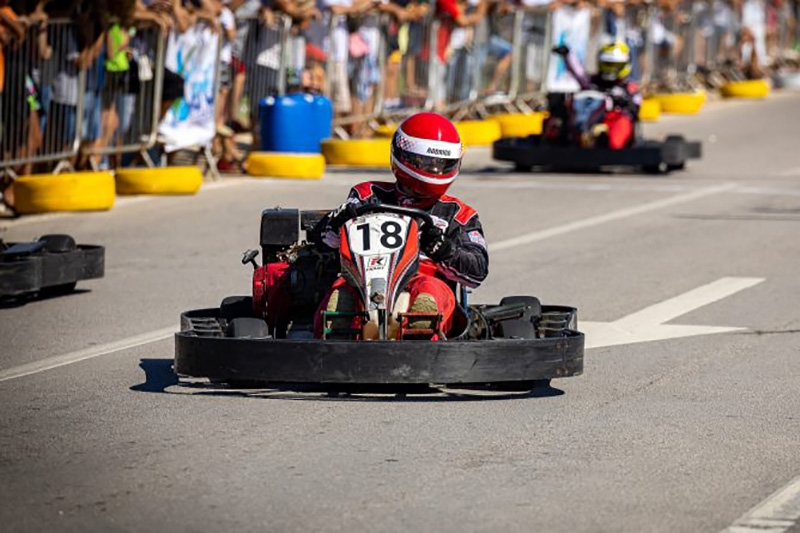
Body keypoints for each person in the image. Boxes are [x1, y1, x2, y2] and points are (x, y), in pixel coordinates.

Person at [313, 112, 489, 339]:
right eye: (428, 163)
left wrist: (444, 251)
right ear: (404, 157)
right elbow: (326, 240)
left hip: (424, 278)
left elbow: (477, 271)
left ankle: (420, 328)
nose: (435, 171)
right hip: (362, 278)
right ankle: (338, 330)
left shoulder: (458, 214)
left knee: (431, 291)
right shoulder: (368, 194)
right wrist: (339, 220)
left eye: (443, 165)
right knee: (342, 291)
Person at [551, 41, 642, 149]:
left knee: (622, 121)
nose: (610, 68)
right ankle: (561, 139)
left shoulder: (628, 87)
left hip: (611, 121)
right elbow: (578, 72)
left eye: (613, 65)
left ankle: (606, 143)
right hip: (588, 118)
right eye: (607, 64)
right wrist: (568, 55)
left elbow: (636, 104)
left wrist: (624, 101)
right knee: (559, 115)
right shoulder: (592, 82)